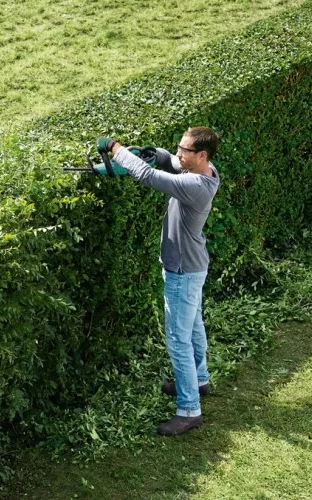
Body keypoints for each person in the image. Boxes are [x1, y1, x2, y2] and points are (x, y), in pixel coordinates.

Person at [100, 127, 221, 436]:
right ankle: (200, 380)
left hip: (182, 270)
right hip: (193, 265)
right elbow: (172, 163)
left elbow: (149, 176)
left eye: (185, 150)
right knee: (193, 326)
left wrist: (116, 148)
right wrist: (158, 154)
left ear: (202, 155)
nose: (179, 153)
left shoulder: (194, 185)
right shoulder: (206, 170)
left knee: (178, 340)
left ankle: (189, 410)